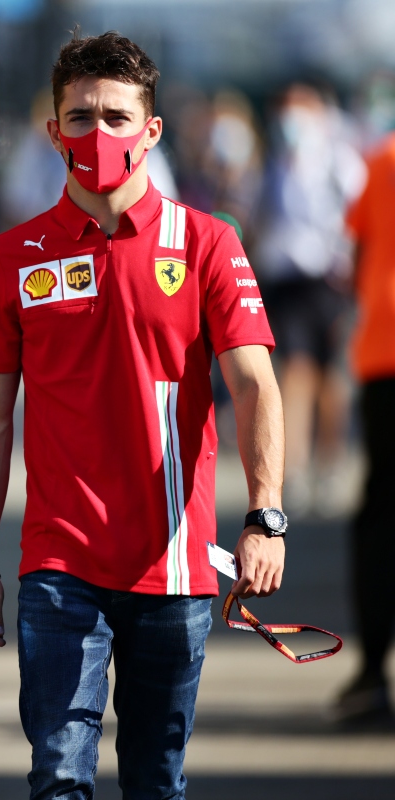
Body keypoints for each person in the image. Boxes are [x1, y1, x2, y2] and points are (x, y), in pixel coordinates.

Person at [0, 32, 286, 799]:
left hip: (173, 570)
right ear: (53, 131)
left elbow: (257, 385)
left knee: (155, 782)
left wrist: (265, 516)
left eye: (115, 117)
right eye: (79, 117)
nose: (97, 135)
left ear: (151, 130)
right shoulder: (11, 256)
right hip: (57, 568)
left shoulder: (207, 243)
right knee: (59, 777)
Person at [252, 83, 367, 517]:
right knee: (295, 372)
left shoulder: (340, 162)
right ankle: (295, 464)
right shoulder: (273, 164)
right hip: (286, 283)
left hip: (330, 281)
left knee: (333, 380)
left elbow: (357, 219)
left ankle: (329, 459)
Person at [337, 128, 395, 724]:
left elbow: (355, 256)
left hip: (388, 357)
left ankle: (372, 672)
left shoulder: (383, 158)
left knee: (382, 517)